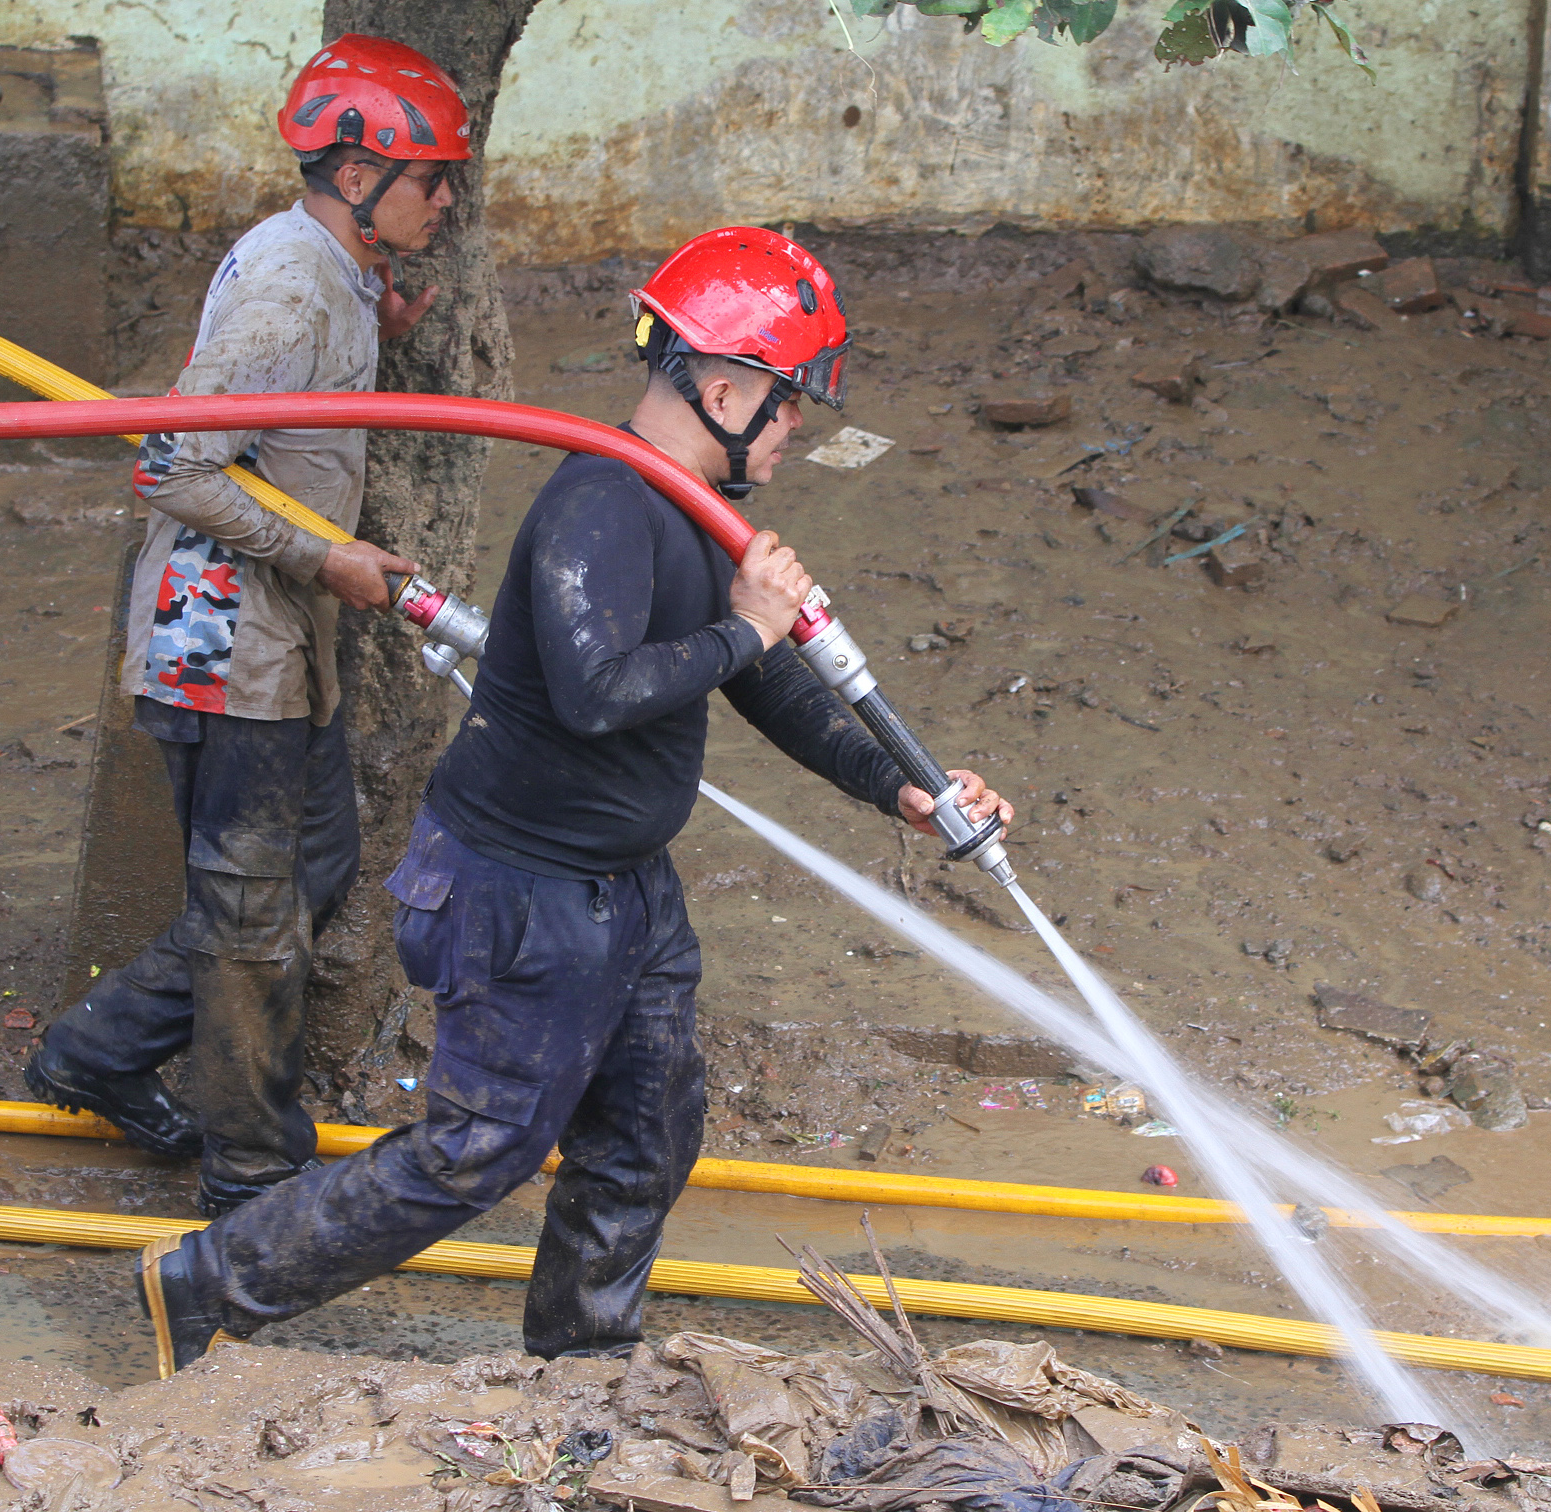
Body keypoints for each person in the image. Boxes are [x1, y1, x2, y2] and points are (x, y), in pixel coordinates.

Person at [136, 227, 1013, 1375]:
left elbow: (763, 681)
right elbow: (600, 693)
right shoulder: (603, 505)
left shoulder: (695, 507)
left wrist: (897, 783)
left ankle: (583, 1360)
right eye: (790, 403)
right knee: (476, 1149)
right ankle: (206, 1283)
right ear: (723, 385)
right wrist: (746, 619)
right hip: (521, 891)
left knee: (648, 1129)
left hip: (625, 889)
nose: (799, 428)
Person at [23, 35, 468, 1218]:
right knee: (254, 918)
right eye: (434, 179)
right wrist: (328, 556)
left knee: (307, 873)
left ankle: (96, 1050)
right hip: (224, 645)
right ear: (364, 173)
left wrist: (387, 324)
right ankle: (255, 1171)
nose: (448, 202)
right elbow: (169, 466)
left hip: (279, 638)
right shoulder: (289, 288)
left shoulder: (336, 269)